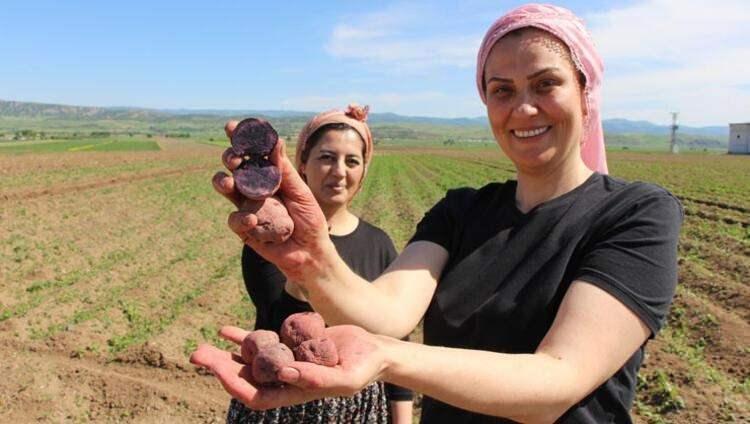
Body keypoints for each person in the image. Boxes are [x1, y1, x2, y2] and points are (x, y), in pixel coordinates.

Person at [195, 4, 683, 423]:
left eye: (545, 83)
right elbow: (384, 314)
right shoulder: (461, 211)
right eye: (502, 90)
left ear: (585, 90)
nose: (524, 109)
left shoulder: (635, 214)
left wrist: (389, 358)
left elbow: (556, 382)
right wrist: (312, 258)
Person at [223, 104, 414, 424]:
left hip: (357, 407)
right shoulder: (270, 237)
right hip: (279, 396)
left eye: (352, 161)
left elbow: (396, 341)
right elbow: (274, 313)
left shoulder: (378, 243)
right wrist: (305, 257)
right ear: (302, 163)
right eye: (326, 157)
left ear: (363, 171)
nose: (339, 171)